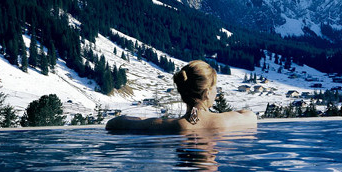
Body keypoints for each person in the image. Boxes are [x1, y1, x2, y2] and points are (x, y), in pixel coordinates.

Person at [106, 60, 257, 133]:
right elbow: (251, 116)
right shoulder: (226, 122)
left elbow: (113, 123)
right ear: (207, 93)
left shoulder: (172, 126)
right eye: (215, 87)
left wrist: (145, 120)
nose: (216, 92)